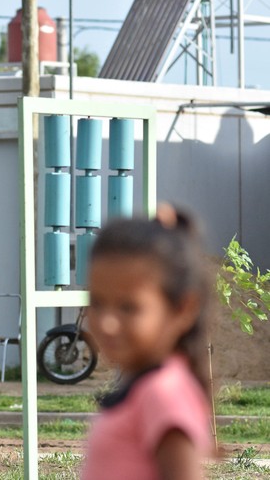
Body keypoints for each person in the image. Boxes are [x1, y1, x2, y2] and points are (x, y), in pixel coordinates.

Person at [81, 204, 215, 480]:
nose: (107, 323)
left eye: (128, 307)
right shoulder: (145, 387)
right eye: (97, 302)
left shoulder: (163, 393)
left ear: (182, 310)